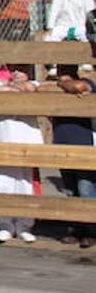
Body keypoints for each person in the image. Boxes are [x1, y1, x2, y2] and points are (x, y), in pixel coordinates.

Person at [0, 66, 42, 243]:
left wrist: (18, 87)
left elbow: (31, 88)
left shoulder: (33, 84)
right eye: (14, 71)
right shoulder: (2, 83)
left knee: (25, 183)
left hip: (27, 140)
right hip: (4, 138)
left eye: (20, 71)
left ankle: (24, 226)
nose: (16, 74)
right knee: (4, 182)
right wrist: (7, 88)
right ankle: (6, 226)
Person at [48, 69, 94, 248]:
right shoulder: (58, 87)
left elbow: (79, 86)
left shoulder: (86, 82)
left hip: (83, 146)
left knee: (86, 188)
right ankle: (77, 229)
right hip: (62, 146)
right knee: (71, 190)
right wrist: (58, 85)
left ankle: (92, 231)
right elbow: (39, 88)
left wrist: (63, 84)